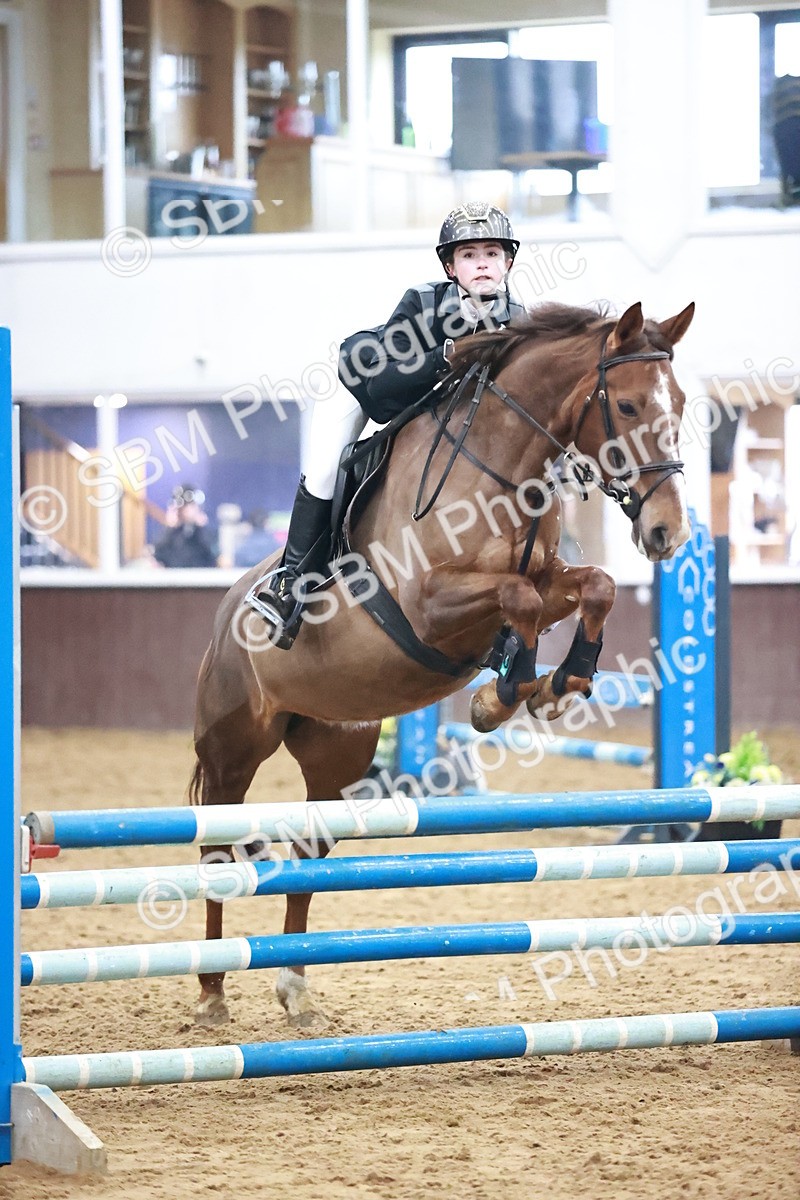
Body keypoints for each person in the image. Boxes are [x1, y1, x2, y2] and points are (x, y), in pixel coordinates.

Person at [248, 201, 523, 647]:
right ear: (450, 267)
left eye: (492, 254)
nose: (482, 264)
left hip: (431, 416)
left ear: (507, 263)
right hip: (359, 386)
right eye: (469, 255)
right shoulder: (423, 301)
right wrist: (445, 354)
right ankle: (290, 582)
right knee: (325, 471)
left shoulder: (519, 321)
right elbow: (383, 385)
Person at [153, 484, 218, 569]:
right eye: (183, 506)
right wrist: (170, 527)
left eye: (190, 505)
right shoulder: (171, 533)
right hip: (174, 574)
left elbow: (213, 554)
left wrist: (200, 526)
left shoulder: (203, 532)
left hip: (201, 573)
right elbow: (159, 554)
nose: (185, 510)